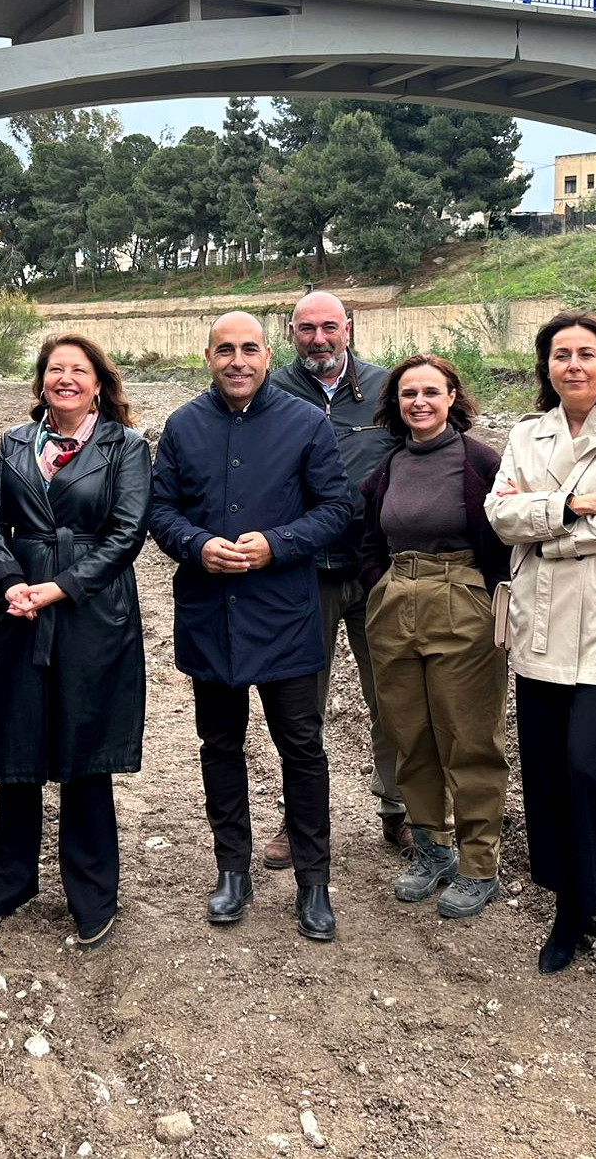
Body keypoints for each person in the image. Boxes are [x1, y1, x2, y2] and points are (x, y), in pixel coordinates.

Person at [148, 311, 353, 940]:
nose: (237, 361)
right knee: (220, 746)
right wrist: (194, 543)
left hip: (283, 614)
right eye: (224, 350)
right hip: (212, 613)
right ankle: (231, 870)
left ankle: (313, 883)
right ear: (207, 357)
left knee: (302, 747)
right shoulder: (184, 426)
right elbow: (161, 508)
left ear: (268, 356)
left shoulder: (305, 423)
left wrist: (278, 543)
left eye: (249, 350)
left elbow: (339, 507)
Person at [487, 312, 596, 981]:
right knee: (548, 777)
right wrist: (572, 506)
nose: (572, 366)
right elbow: (499, 514)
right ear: (547, 368)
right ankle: (570, 909)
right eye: (559, 355)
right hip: (541, 627)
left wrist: (547, 525)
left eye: (585, 354)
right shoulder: (528, 431)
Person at [0, 335, 150, 948]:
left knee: (84, 750)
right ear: (41, 381)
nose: (65, 378)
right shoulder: (14, 442)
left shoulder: (125, 447)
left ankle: (93, 891)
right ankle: (9, 879)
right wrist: (13, 583)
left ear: (99, 382)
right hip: (20, 609)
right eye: (55, 369)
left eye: (79, 370)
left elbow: (127, 533)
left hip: (93, 613)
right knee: (19, 741)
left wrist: (61, 588)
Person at [358, 354, 511, 921]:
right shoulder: (388, 467)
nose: (418, 401)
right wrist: (378, 587)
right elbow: (370, 537)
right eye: (407, 393)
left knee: (468, 736)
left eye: (431, 391)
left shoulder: (479, 461)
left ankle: (478, 863)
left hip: (461, 599)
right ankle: (431, 849)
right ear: (395, 403)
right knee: (410, 734)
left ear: (453, 397)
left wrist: (495, 602)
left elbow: (505, 536)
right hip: (396, 600)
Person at [267, 291, 409, 862]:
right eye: (306, 329)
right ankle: (298, 818)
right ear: (291, 332)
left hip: (377, 570)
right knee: (301, 705)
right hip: (305, 574)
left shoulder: (387, 389)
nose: (318, 339)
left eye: (329, 327)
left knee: (394, 697)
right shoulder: (272, 391)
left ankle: (400, 811)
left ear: (349, 327)